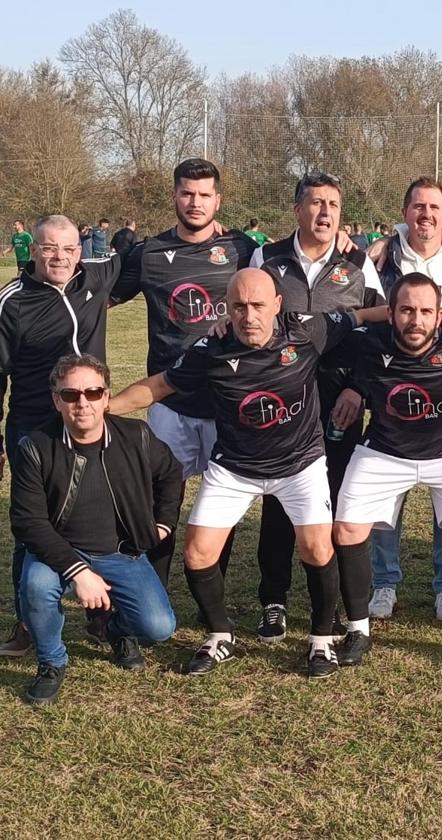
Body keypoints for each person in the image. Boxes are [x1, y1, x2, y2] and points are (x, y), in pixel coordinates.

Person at [107, 268, 387, 678]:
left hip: (300, 464)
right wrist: (104, 407)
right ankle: (220, 635)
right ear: (227, 309)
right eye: (239, 306)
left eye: (258, 305)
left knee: (316, 547)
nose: (249, 316)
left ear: (277, 305)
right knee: (198, 553)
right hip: (234, 468)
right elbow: (160, 386)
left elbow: (361, 316)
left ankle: (321, 639)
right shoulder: (212, 346)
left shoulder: (307, 329)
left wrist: (429, 312)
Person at [331, 272, 442, 669]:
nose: (416, 320)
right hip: (384, 452)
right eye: (406, 310)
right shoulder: (367, 340)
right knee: (346, 530)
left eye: (426, 311)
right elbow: (312, 332)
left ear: (440, 314)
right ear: (390, 313)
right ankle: (358, 629)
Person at [249, 172, 384, 643]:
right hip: (282, 397)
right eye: (315, 203)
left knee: (337, 498)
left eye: (333, 205)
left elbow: (378, 331)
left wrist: (359, 389)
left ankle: (334, 603)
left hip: (339, 398)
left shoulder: (358, 262)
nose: (325, 212)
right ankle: (274, 600)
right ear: (297, 209)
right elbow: (248, 315)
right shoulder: (266, 258)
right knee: (278, 499)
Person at [110, 158, 258, 586]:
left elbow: (290, 267)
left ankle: (212, 596)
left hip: (227, 402)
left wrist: (353, 244)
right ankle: (153, 591)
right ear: (174, 195)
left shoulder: (243, 249)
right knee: (159, 500)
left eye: (204, 195)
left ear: (218, 200)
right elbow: (100, 301)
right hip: (168, 401)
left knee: (221, 508)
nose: (196, 202)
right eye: (187, 193)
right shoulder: (149, 253)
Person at [12, 354, 181, 705]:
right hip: (58, 552)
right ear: (56, 401)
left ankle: (117, 629)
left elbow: (171, 473)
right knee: (36, 585)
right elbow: (28, 522)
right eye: (70, 394)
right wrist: (78, 571)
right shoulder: (35, 446)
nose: (82, 403)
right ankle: (51, 662)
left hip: (120, 551)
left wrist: (163, 523)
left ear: (106, 397)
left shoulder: (137, 436)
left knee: (159, 628)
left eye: (93, 392)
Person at [0, 215, 121, 657]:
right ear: (33, 249)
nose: (61, 257)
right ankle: (28, 623)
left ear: (80, 250)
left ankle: (102, 615)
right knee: (32, 523)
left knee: (100, 518)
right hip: (34, 428)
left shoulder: (96, 276)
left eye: (69, 249)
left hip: (89, 421)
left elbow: (142, 256)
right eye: (50, 248)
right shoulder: (12, 301)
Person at [370, 177, 442, 621]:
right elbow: (368, 314)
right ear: (404, 213)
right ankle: (384, 583)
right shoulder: (381, 259)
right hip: (392, 395)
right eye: (418, 206)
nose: (426, 214)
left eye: (434, 207)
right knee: (387, 502)